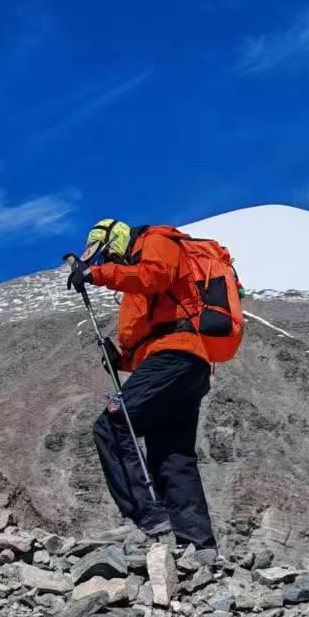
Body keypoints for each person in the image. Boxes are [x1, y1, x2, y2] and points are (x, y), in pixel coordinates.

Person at [71, 218, 215, 550]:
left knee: (112, 421)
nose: (110, 263)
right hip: (183, 362)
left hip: (176, 356)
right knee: (171, 458)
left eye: (108, 255)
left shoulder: (156, 240)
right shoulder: (141, 276)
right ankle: (198, 547)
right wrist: (122, 361)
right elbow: (156, 336)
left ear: (117, 239)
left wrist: (96, 275)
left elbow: (156, 276)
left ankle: (147, 514)